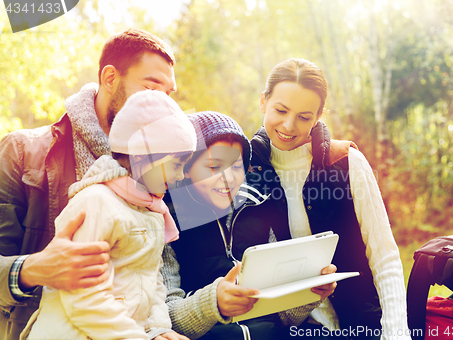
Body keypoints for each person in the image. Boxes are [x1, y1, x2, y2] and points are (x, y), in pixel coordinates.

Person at [0, 28, 177, 340]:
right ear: (109, 79)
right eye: (151, 89)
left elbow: (155, 277)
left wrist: (162, 329)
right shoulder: (20, 152)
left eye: (168, 96)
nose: (161, 105)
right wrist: (31, 269)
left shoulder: (160, 172)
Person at [240, 58, 411, 339]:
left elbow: (385, 257)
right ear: (263, 101)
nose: (288, 125)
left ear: (318, 117)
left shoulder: (346, 161)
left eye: (304, 117)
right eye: (280, 110)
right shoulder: (242, 171)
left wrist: (395, 332)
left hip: (362, 324)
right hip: (288, 331)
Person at [21, 90, 195, 340]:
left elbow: (152, 281)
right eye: (177, 165)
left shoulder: (151, 211)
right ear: (143, 156)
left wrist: (158, 330)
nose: (181, 176)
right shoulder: (96, 203)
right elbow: (84, 297)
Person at [161, 111, 337, 340]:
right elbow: (164, 316)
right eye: (214, 167)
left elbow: (281, 317)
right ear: (186, 168)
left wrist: (308, 295)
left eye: (236, 167)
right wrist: (213, 303)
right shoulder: (165, 221)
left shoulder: (258, 208)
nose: (228, 178)